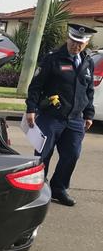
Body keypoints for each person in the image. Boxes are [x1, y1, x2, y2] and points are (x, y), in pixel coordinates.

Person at [25, 23, 97, 206]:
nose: (76, 45)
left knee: (72, 154)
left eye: (80, 43)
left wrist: (89, 114)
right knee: (43, 154)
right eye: (73, 41)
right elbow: (36, 86)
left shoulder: (88, 62)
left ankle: (59, 188)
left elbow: (88, 91)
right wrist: (31, 108)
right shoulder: (53, 59)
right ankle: (38, 187)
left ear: (86, 43)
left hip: (75, 119)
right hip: (51, 116)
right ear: (68, 38)